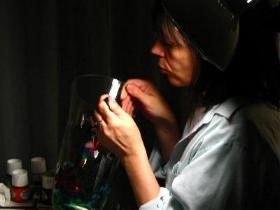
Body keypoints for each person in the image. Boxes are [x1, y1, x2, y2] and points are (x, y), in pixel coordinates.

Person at [94, 0, 280, 209]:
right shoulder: (215, 105)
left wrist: (131, 153)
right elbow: (190, 176)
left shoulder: (237, 134)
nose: (155, 49)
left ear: (207, 53)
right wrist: (166, 124)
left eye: (168, 44)